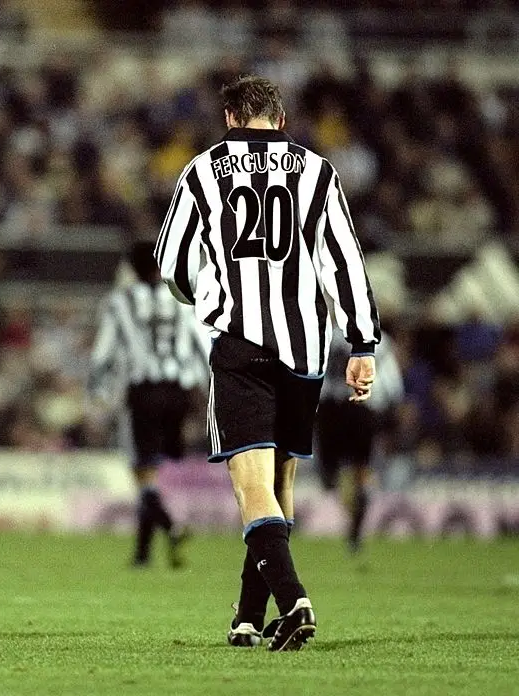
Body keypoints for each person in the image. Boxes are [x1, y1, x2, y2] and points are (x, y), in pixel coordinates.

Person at [154, 76, 380, 651]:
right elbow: (345, 263)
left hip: (240, 346)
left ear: (230, 117)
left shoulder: (203, 171)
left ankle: (294, 599)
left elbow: (172, 262)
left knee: (250, 485)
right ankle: (248, 618)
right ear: (281, 120)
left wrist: (202, 294)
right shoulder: (318, 171)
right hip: (301, 349)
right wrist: (362, 345)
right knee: (280, 484)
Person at [89, 240, 210, 568]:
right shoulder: (183, 300)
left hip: (143, 393)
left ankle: (170, 525)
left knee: (142, 471)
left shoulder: (120, 302)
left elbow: (103, 352)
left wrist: (96, 389)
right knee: (152, 471)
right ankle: (143, 555)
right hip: (178, 394)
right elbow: (203, 346)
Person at [317, 331, 403, 553]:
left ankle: (353, 519)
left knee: (337, 474)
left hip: (337, 409)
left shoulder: (329, 335)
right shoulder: (379, 339)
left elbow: (317, 373)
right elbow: (392, 384)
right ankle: (356, 525)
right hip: (359, 410)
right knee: (358, 471)